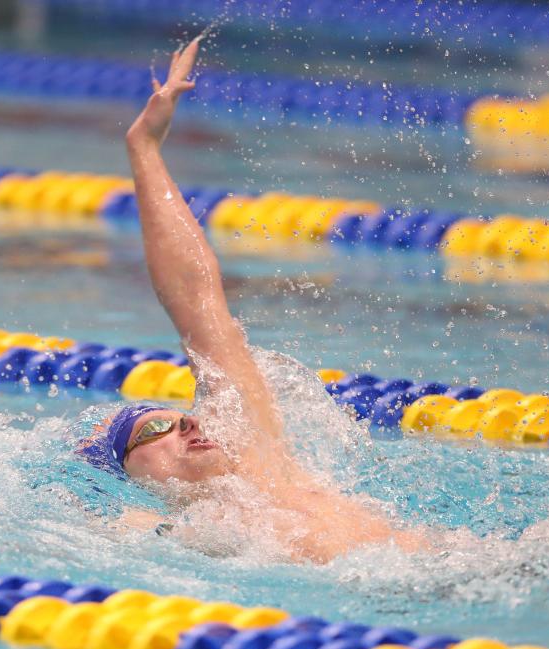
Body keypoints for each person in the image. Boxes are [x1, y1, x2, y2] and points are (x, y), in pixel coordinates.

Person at [83, 36, 427, 564]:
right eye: (154, 429)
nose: (189, 423)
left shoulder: (262, 457)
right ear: (129, 474)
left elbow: (198, 298)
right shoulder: (178, 530)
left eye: (178, 418)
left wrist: (145, 149)